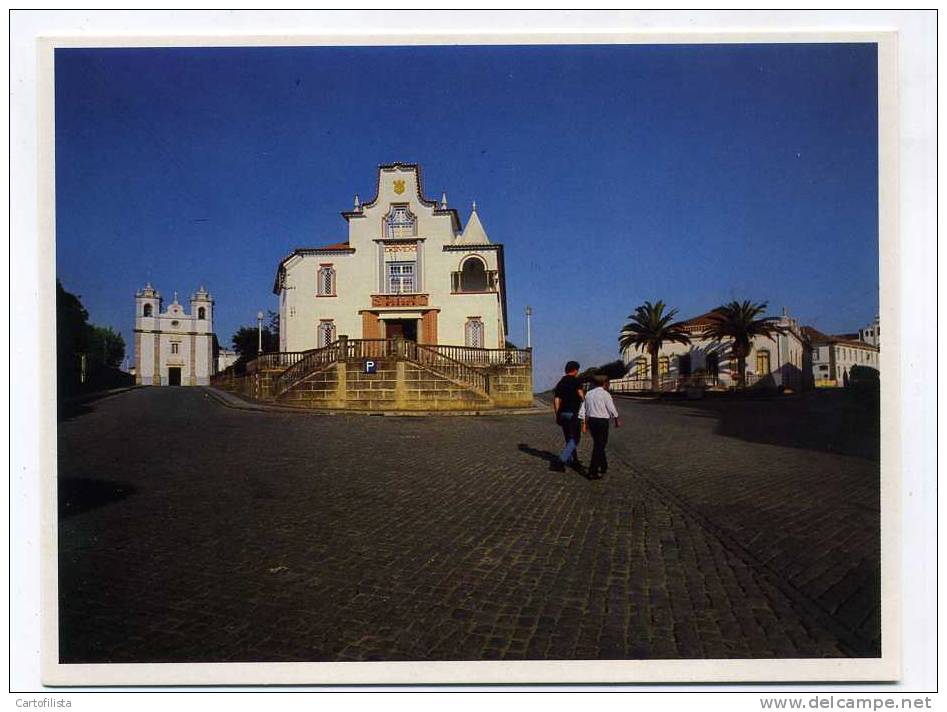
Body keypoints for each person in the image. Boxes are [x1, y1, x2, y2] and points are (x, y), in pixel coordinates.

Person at [579, 374, 621, 480]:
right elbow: (611, 408)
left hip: (592, 421)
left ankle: (603, 466)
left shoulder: (588, 394)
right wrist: (616, 419)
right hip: (602, 421)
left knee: (598, 443)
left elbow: (583, 408)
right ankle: (592, 471)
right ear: (604, 383)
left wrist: (584, 423)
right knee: (600, 445)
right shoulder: (605, 394)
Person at [551, 361, 585, 472]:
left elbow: (556, 399)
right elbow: (581, 395)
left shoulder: (561, 382)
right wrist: (584, 401)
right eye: (577, 370)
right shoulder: (576, 381)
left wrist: (557, 414)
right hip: (573, 413)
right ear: (575, 370)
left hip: (562, 413)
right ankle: (561, 460)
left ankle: (575, 460)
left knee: (569, 438)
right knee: (575, 438)